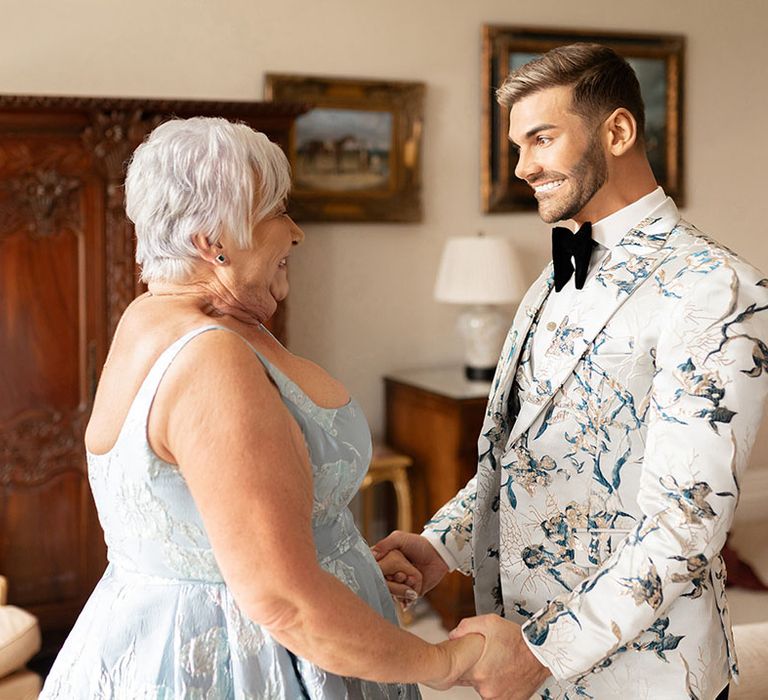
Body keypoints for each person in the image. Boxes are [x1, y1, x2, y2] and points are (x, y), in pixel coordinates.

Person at [39, 117, 483, 699]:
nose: (295, 233)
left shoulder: (149, 318)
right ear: (212, 242)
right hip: (249, 665)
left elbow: (212, 537)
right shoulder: (209, 359)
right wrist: (450, 663)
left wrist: (347, 570)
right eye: (276, 211)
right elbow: (283, 601)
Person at [375, 43, 768, 699]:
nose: (523, 167)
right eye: (517, 147)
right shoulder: (559, 271)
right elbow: (529, 458)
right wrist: (440, 545)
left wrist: (542, 655)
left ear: (616, 131)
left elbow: (686, 529)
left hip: (647, 676)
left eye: (541, 139)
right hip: (537, 655)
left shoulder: (717, 291)